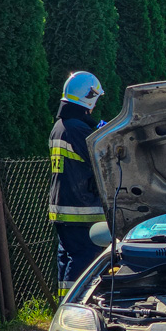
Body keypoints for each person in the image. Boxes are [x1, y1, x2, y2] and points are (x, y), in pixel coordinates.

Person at [48, 71, 107, 298]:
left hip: (63, 208)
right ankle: (76, 305)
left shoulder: (61, 126)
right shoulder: (78, 130)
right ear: (88, 98)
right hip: (81, 211)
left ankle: (64, 303)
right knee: (83, 259)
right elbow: (101, 163)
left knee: (67, 258)